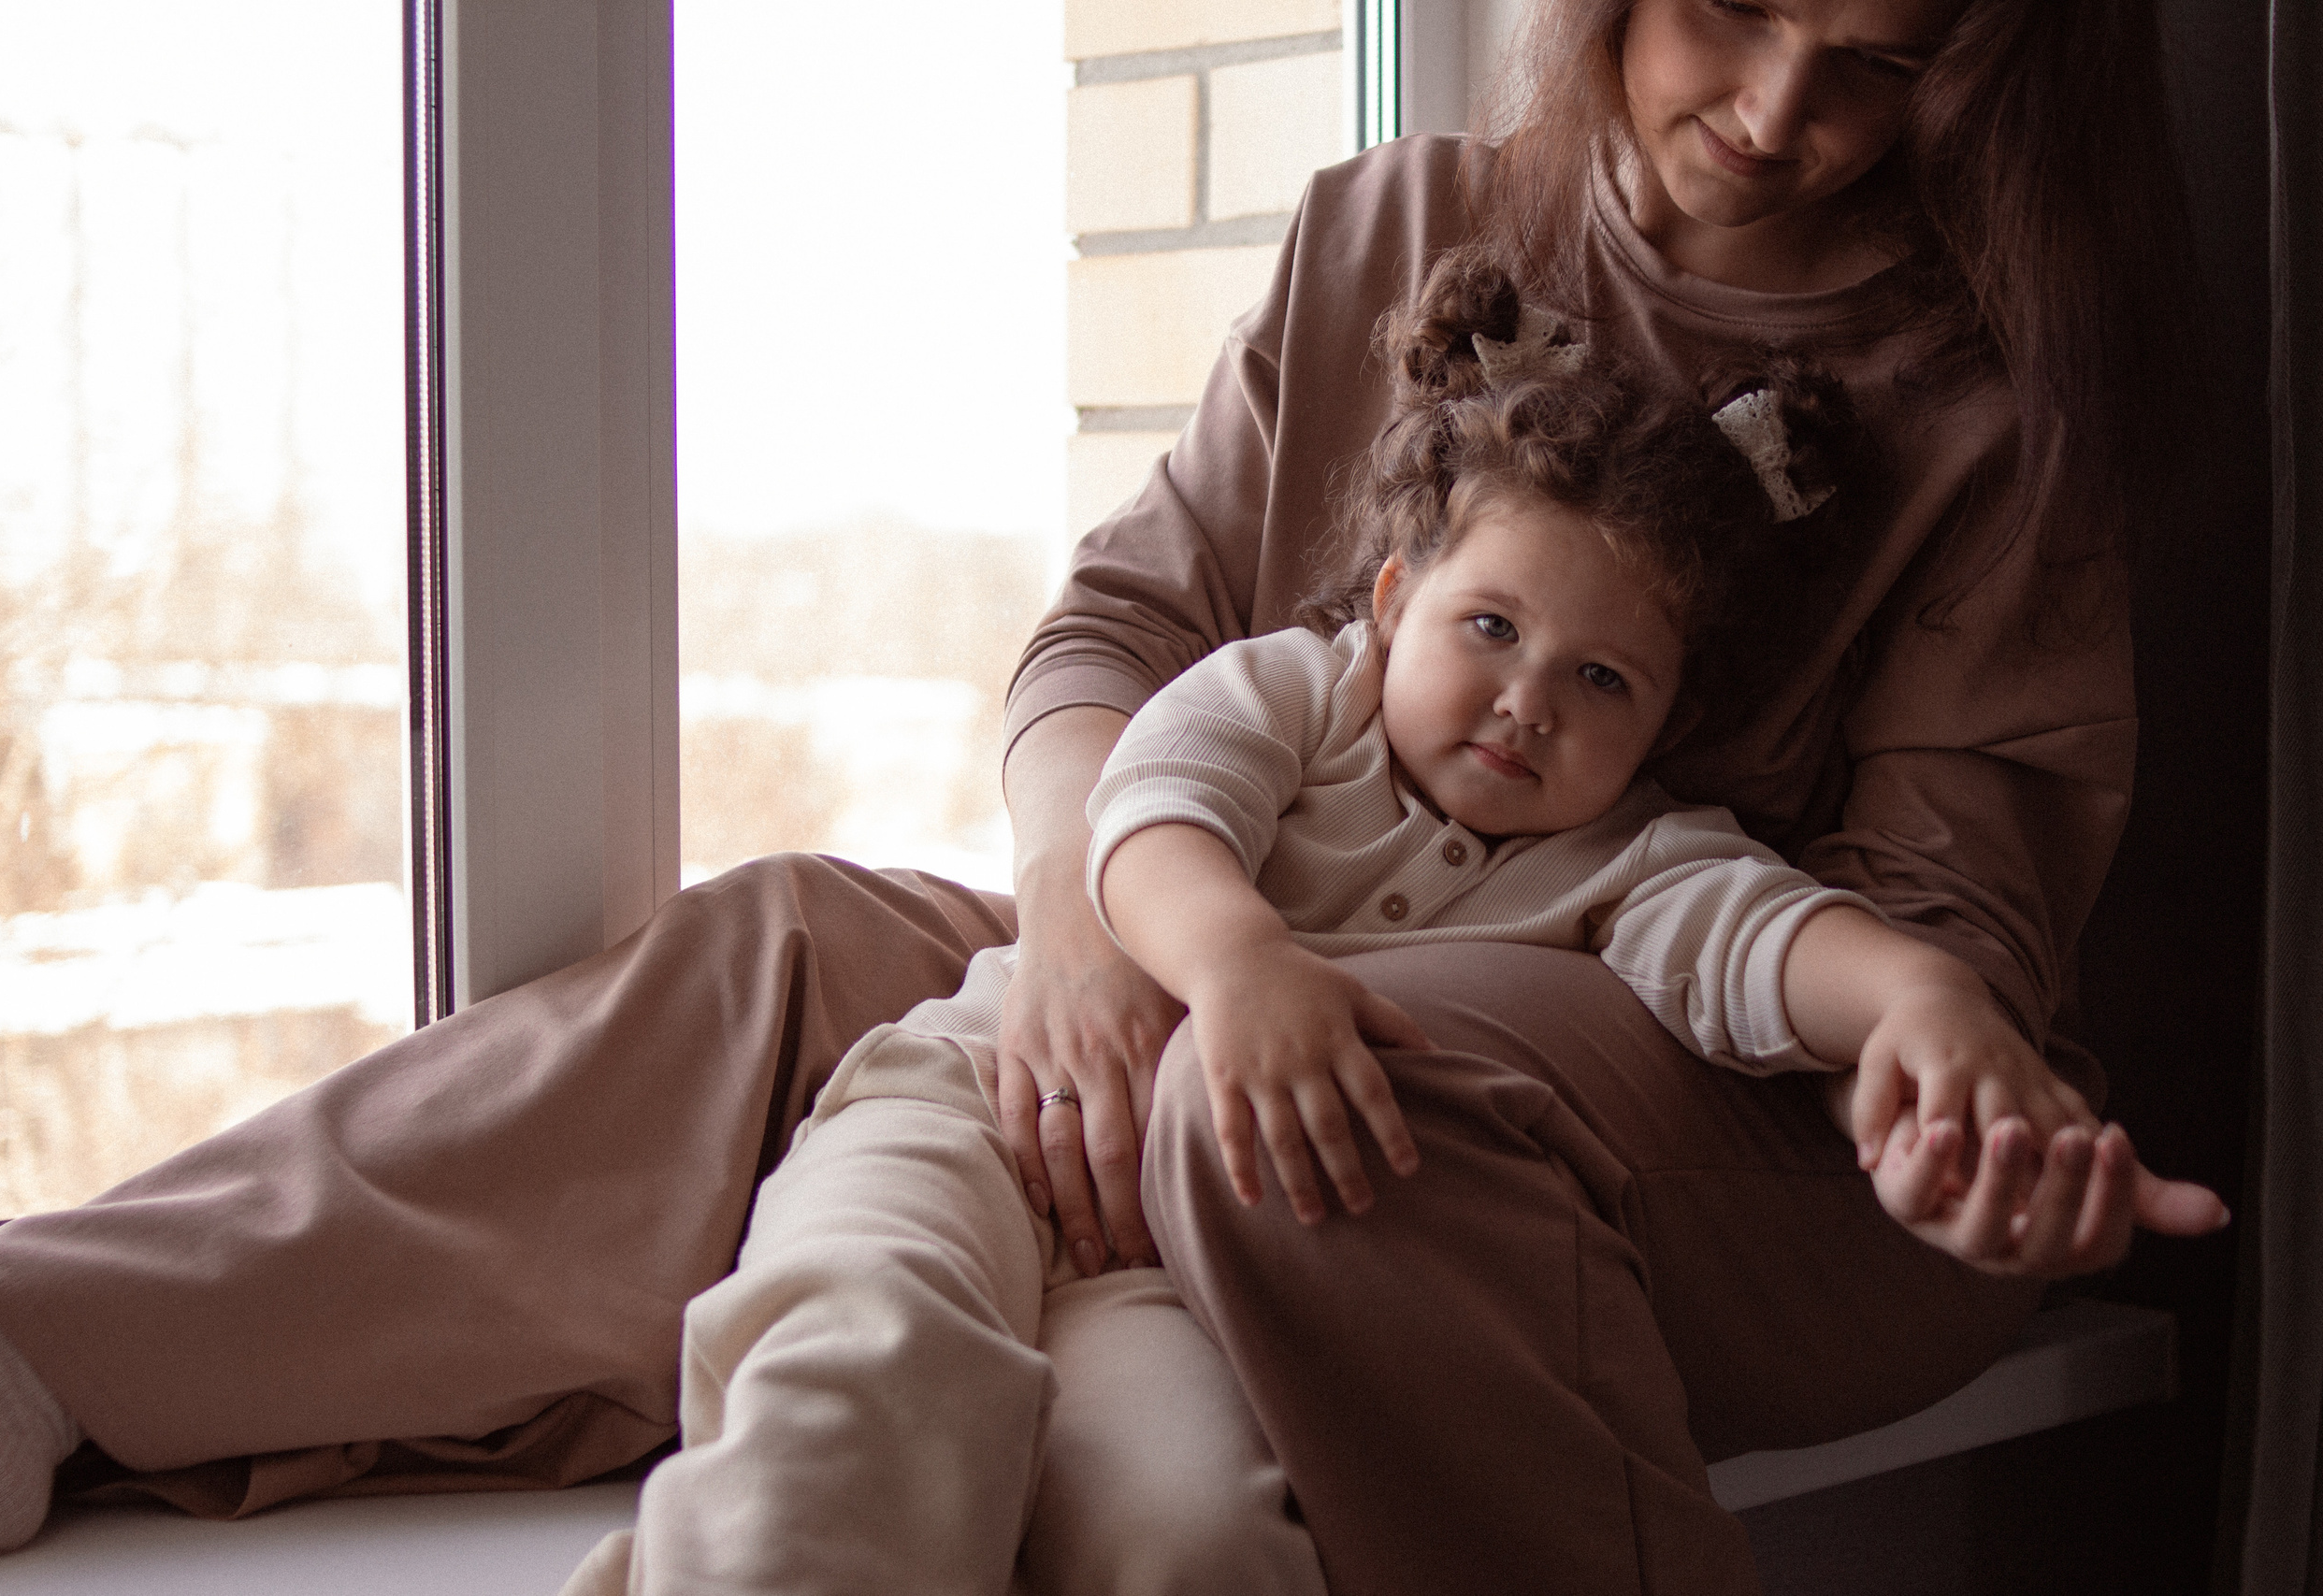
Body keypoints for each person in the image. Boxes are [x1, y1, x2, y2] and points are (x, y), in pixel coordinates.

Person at [0, 0, 2229, 1588]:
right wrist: (1076, 922)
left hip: (1722, 1085)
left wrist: (1942, 1055)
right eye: (1729, 7)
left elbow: (1902, 932)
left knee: (1349, 1071)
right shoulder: (1392, 229)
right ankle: (40, 1343)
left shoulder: (1987, 410)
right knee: (801, 943)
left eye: (1886, 60)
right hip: (1263, 942)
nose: (1769, 110)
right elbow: (1113, 652)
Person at [557, 310, 2128, 1596]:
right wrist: (1240, 968)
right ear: (1391, 604)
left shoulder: (1629, 864)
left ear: (1668, 725)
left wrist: (1922, 995)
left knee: (1199, 1536)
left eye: (1601, 679)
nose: (1528, 705)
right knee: (860, 1384)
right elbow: (1149, 818)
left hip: (1160, 1274)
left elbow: (1769, 946)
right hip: (976, 1113)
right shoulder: (1296, 700)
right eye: (1491, 631)